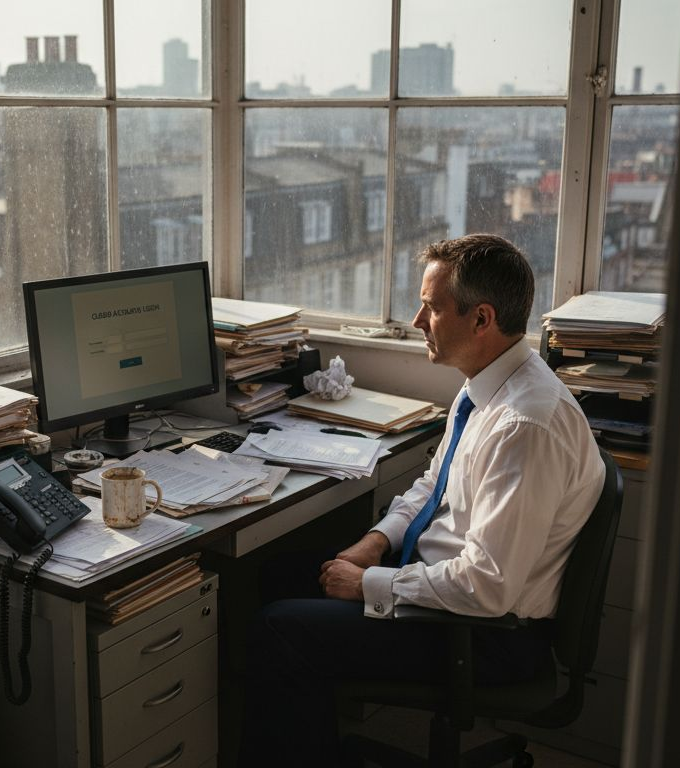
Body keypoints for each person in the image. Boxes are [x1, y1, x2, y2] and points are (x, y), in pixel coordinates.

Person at [238, 233, 605, 766]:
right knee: (276, 575)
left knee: (280, 629)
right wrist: (374, 541)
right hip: (445, 585)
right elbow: (433, 487)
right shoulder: (485, 382)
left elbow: (488, 587)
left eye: (431, 308)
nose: (416, 321)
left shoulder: (526, 424)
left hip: (483, 635)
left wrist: (368, 582)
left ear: (481, 319)